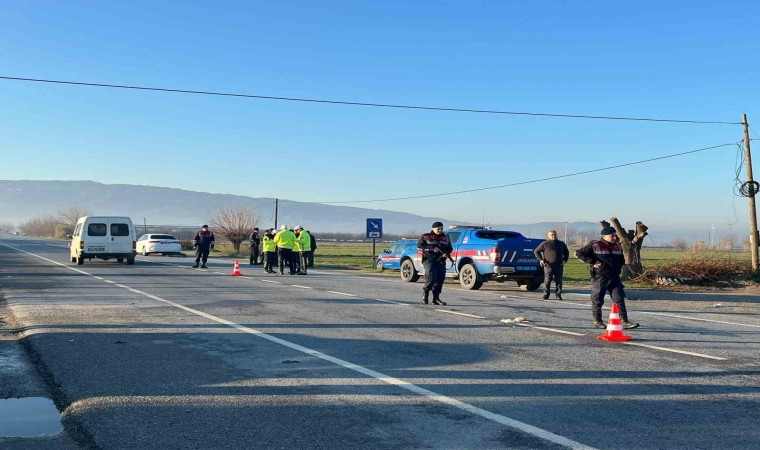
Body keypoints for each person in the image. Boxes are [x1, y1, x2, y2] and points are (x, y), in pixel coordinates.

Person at [575, 226, 639, 329]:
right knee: (597, 299)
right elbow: (579, 253)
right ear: (604, 236)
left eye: (615, 235)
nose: (614, 237)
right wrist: (593, 261)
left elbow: (621, 259)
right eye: (612, 236)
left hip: (614, 277)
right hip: (600, 277)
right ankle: (598, 321)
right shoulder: (595, 245)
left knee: (619, 299)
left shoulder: (618, 246)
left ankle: (624, 321)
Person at [417, 221, 453, 305]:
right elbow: (419, 246)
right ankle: (425, 293)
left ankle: (436, 299)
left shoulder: (446, 237)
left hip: (441, 261)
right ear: (433, 228)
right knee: (431, 278)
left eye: (441, 228)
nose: (440, 230)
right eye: (438, 229)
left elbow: (450, 248)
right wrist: (432, 248)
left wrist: (446, 253)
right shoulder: (426, 236)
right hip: (429, 260)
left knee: (440, 280)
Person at [533, 229, 570, 300]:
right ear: (548, 236)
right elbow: (536, 251)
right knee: (547, 281)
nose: (554, 236)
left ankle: (558, 295)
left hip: (559, 265)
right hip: (548, 265)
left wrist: (565, 260)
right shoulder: (545, 244)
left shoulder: (561, 243)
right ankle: (546, 295)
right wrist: (541, 260)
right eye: (552, 235)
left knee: (559, 281)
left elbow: (566, 252)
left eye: (555, 234)